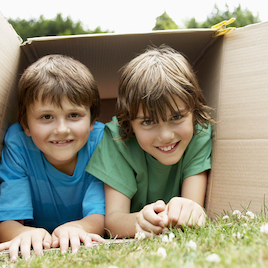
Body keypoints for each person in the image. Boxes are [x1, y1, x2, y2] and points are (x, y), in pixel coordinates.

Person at [86, 45, 214, 238]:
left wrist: (189, 209)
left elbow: (193, 208)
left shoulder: (199, 134)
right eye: (148, 122)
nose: (165, 136)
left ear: (194, 114)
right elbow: (112, 222)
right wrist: (139, 221)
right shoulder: (117, 140)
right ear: (128, 123)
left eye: (177, 117)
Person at [0, 54, 105, 262]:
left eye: (74, 115)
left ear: (92, 121)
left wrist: (77, 227)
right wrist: (24, 233)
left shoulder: (100, 141)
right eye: (46, 117)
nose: (61, 130)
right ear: (25, 124)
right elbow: (7, 223)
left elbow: (102, 217)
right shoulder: (18, 144)